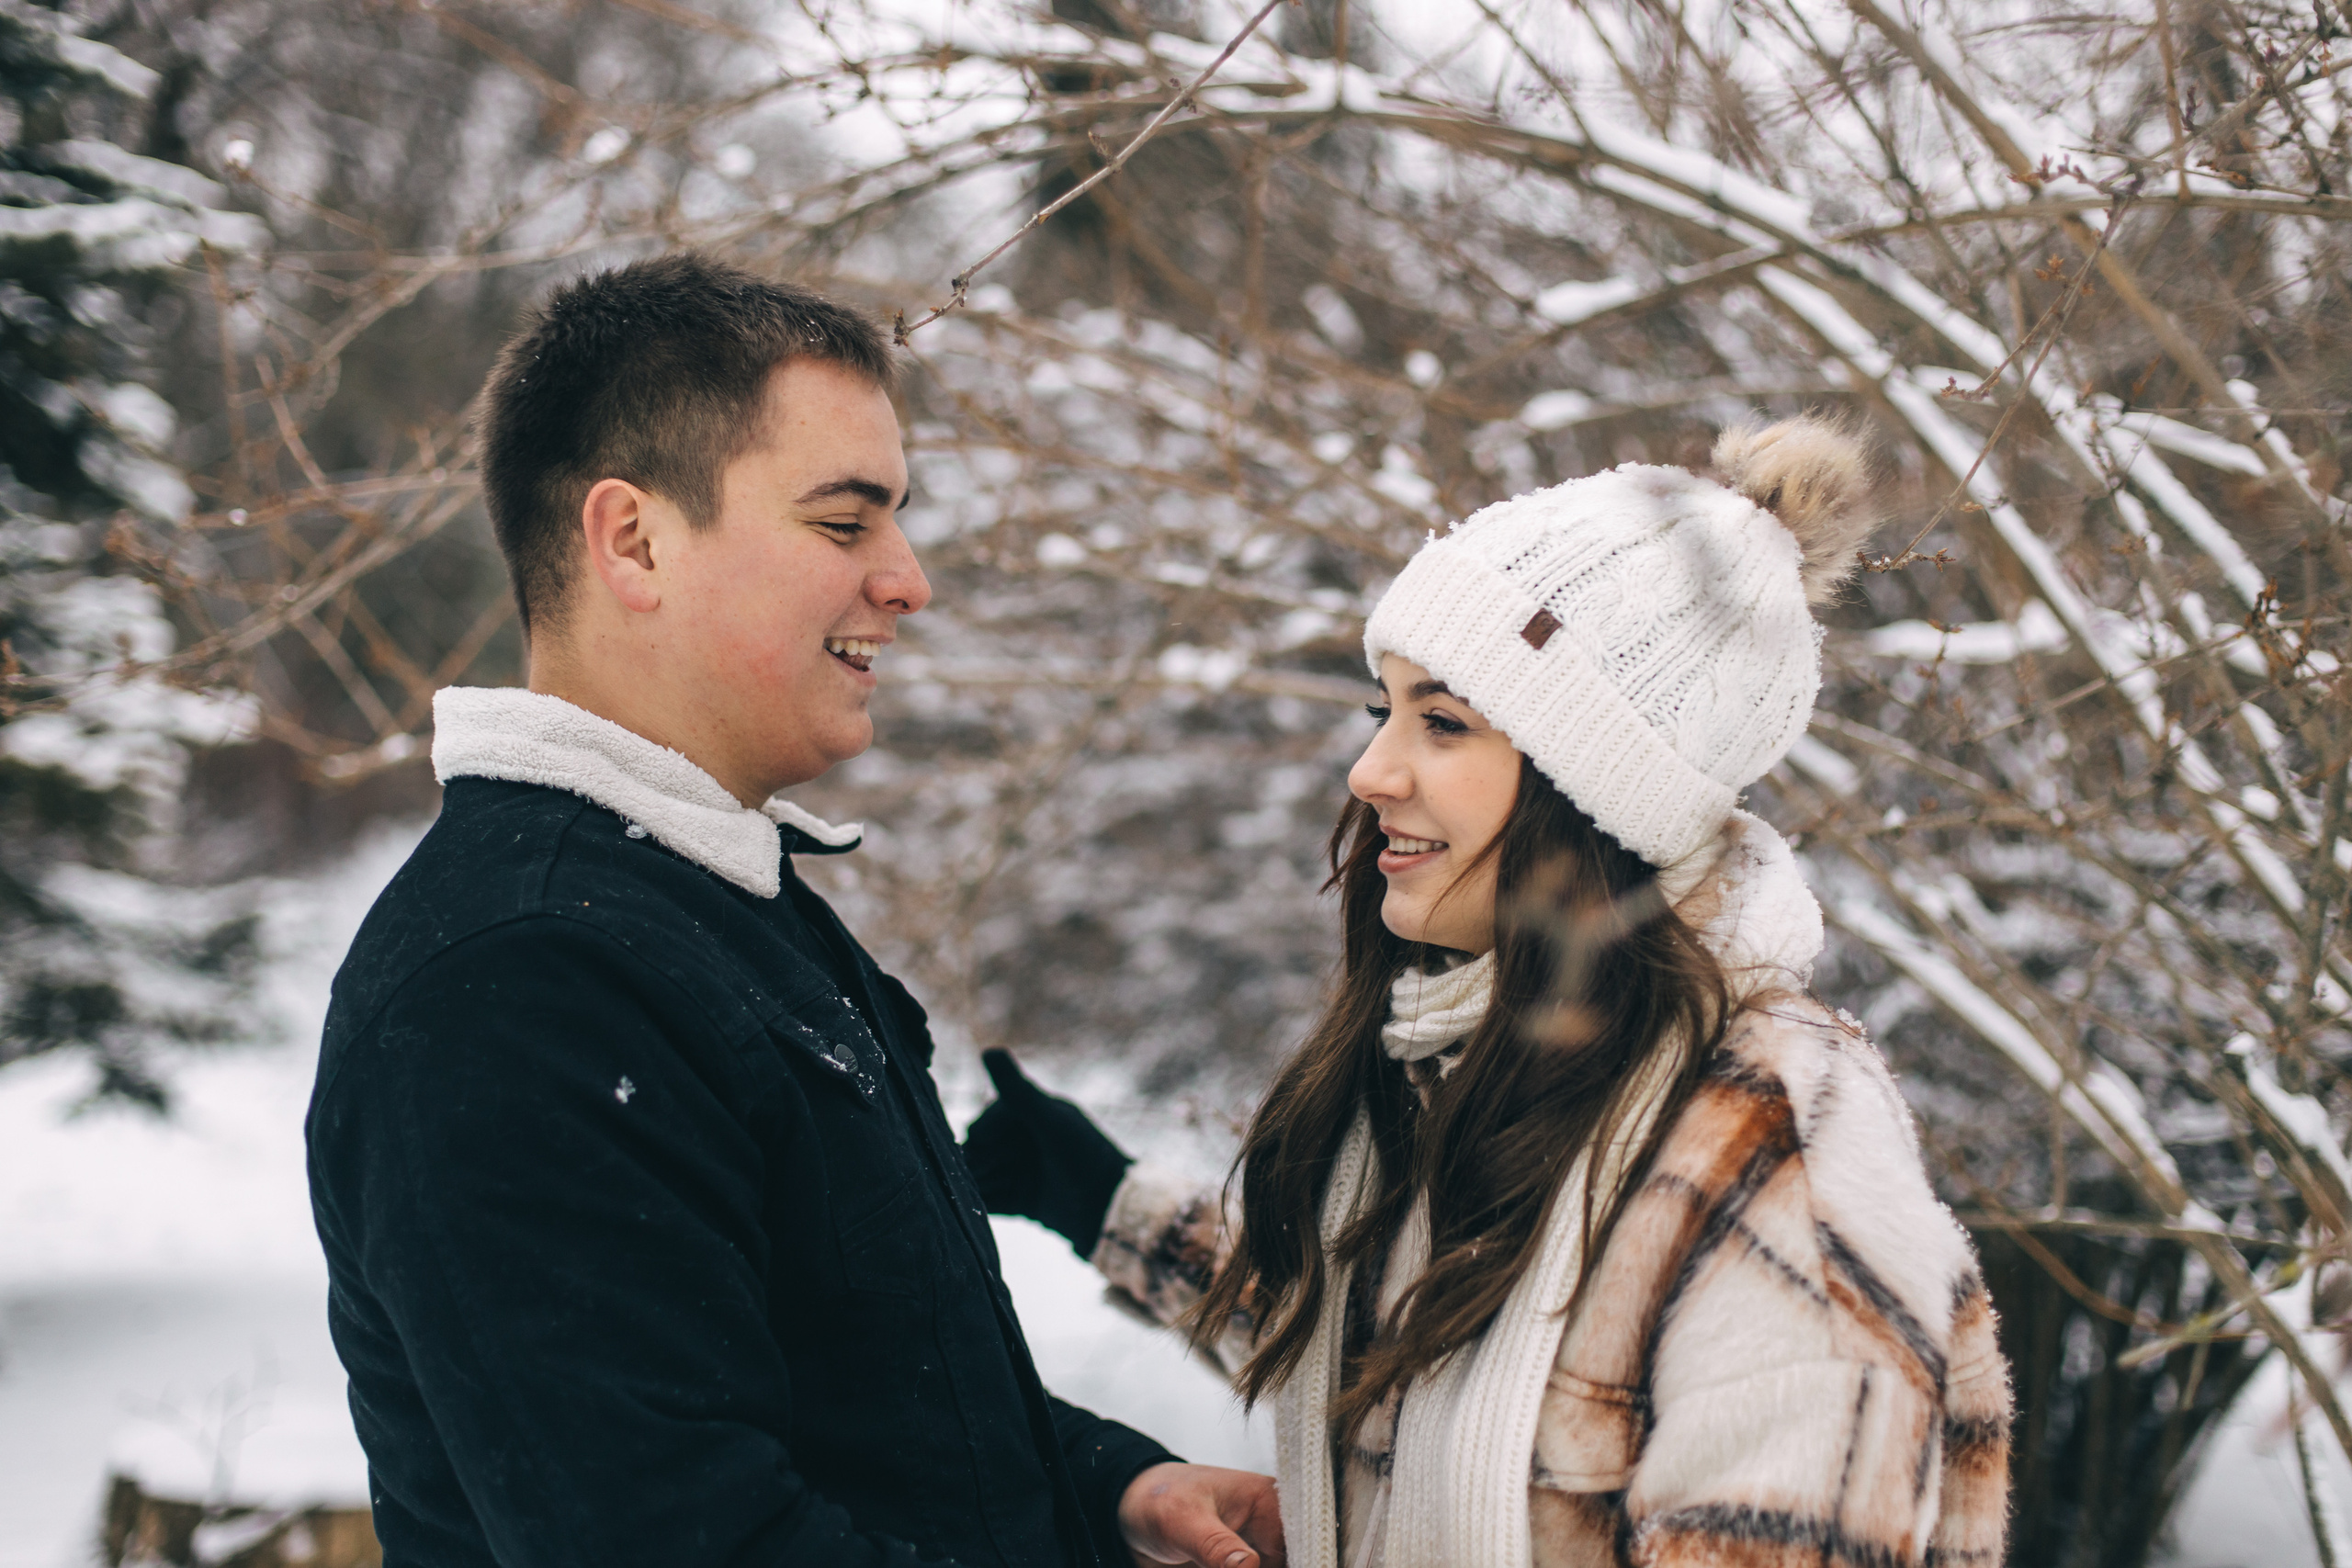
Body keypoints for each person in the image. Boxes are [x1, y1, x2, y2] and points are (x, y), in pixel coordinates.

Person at [307, 253, 1283, 1568]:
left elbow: (875, 1392)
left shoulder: (703, 899)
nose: (908, 577)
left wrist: (1109, 1482)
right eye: (845, 521)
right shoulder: (527, 980)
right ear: (633, 539)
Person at [966, 418, 2014, 1568]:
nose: (1371, 772)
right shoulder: (1482, 1054)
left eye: (1444, 722)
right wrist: (1112, 1204)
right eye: (1386, 708)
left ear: (1597, 792)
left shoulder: (1770, 1156)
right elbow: (1432, 1353)